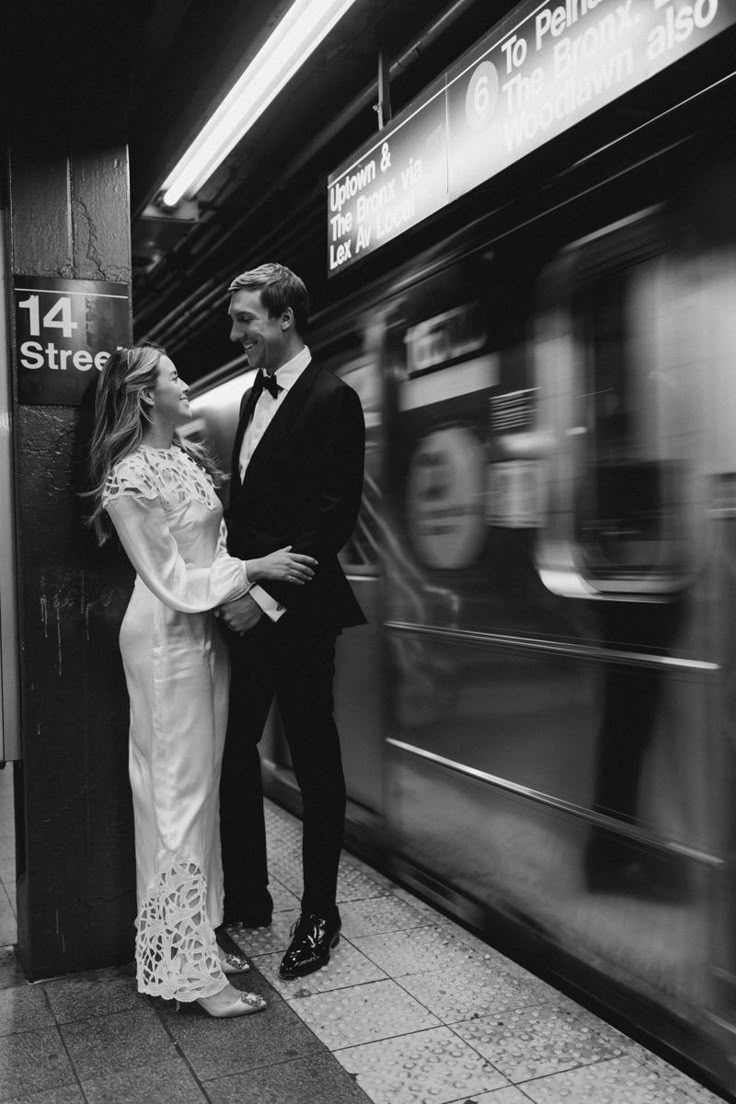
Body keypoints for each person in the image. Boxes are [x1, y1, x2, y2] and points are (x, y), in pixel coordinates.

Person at [88, 342, 317, 1016]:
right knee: (174, 797)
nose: (185, 383)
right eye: (173, 377)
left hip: (201, 638)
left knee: (200, 792)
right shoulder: (129, 479)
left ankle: (197, 937)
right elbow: (169, 579)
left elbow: (206, 558)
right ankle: (191, 978)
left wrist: (238, 577)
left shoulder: (182, 461)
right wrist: (255, 570)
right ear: (142, 395)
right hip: (164, 642)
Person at [218, 263, 366, 978]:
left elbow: (330, 518)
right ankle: (248, 896)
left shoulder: (335, 399)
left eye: (245, 318)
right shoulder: (252, 398)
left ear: (283, 319)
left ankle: (320, 913)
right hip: (244, 608)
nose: (236, 331)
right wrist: (233, 581)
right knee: (232, 749)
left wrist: (263, 598)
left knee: (314, 760)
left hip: (301, 615)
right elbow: (250, 515)